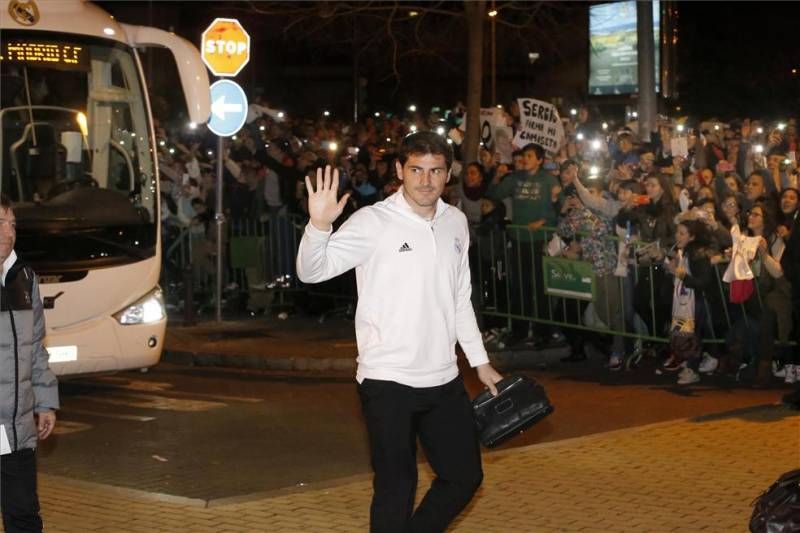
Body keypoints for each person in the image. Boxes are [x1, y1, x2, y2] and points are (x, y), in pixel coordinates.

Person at [296, 132, 503, 532]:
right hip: (386, 379)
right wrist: (319, 224)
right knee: (396, 487)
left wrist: (480, 363)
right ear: (399, 171)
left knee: (464, 477)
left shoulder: (456, 222)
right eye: (416, 170)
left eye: (436, 171)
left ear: (448, 175)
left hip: (444, 378)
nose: (426, 181)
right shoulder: (374, 222)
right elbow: (312, 270)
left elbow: (460, 298)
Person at [1, 194, 59, 533]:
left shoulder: (25, 278)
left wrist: (46, 402)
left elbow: (36, 346)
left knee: (24, 517)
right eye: (0, 223)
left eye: (12, 224)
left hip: (17, 428)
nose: (8, 232)